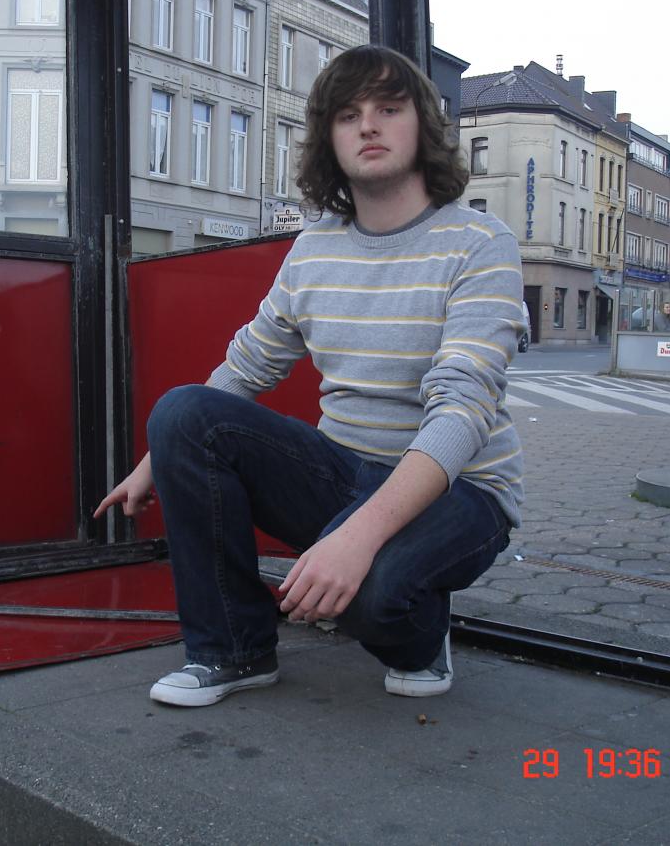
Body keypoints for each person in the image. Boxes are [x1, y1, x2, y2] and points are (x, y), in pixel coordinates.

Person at [95, 45, 524, 708]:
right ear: (329, 137)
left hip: (461, 493)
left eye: (389, 108)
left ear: (423, 127)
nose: (369, 126)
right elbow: (247, 365)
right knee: (184, 412)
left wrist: (355, 539)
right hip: (346, 472)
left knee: (371, 598)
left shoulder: (479, 243)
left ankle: (422, 629)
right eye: (349, 114)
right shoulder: (314, 248)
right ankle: (232, 650)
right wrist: (156, 461)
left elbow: (462, 407)